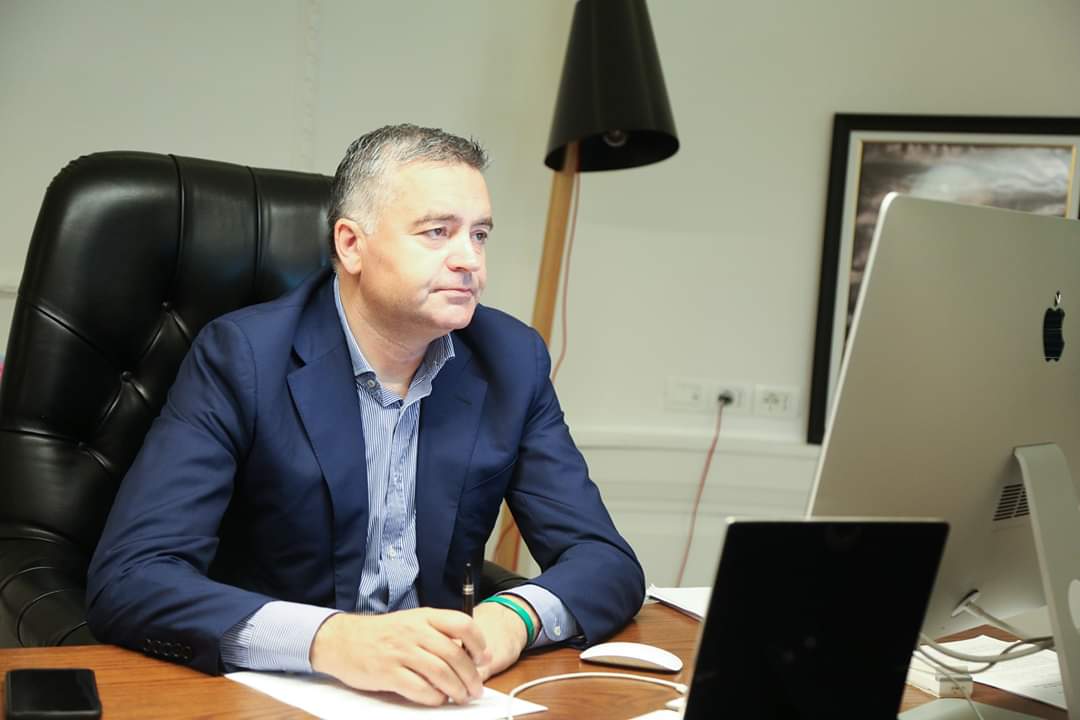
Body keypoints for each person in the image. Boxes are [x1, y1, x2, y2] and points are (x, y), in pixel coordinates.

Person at [86, 124, 644, 706]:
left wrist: (510, 620)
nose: (470, 261)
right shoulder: (243, 358)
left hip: (436, 695)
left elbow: (605, 560)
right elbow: (132, 577)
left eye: (479, 235)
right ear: (351, 244)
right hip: (275, 695)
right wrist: (333, 640)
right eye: (438, 232)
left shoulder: (511, 358)